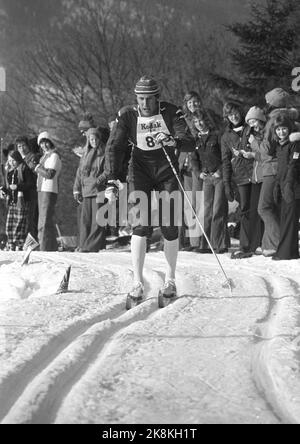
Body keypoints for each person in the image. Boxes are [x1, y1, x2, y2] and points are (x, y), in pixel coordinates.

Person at [104, 75, 195, 300]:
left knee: (169, 225)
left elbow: (189, 139)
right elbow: (114, 146)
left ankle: (170, 279)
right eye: (140, 99)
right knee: (140, 226)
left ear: (157, 98)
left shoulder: (171, 112)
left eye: (149, 99)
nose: (144, 104)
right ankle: (136, 282)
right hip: (140, 170)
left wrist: (175, 141)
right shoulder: (127, 116)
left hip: (166, 170)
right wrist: (112, 178)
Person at [258, 88, 298, 257]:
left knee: (264, 207)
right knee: (274, 207)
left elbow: (266, 149)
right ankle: (269, 244)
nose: (266, 104)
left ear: (273, 103)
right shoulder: (291, 118)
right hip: (279, 168)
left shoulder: (274, 120)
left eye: (268, 101)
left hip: (273, 168)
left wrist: (255, 142)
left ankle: (277, 242)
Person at [191, 110, 229, 253]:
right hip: (206, 178)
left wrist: (220, 170)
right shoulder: (196, 139)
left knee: (218, 209)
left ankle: (220, 244)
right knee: (207, 211)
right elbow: (194, 159)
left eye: (200, 120)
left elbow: (226, 156)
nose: (198, 124)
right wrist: (198, 172)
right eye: (195, 121)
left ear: (206, 120)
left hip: (219, 177)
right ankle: (205, 245)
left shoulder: (217, 135)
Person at [221, 101, 254, 259]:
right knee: (245, 209)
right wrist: (227, 184)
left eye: (235, 112)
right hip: (241, 176)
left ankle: (259, 242)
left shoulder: (250, 127)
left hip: (257, 172)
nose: (234, 116)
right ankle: (245, 246)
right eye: (230, 114)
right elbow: (226, 162)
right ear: (226, 117)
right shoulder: (226, 136)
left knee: (259, 208)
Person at [73, 127, 108, 252]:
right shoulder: (85, 155)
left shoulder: (104, 153)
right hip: (86, 190)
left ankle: (91, 246)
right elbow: (79, 173)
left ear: (99, 139)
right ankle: (83, 244)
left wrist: (99, 181)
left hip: (99, 190)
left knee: (97, 220)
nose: (93, 141)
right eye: (91, 139)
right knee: (85, 221)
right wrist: (76, 189)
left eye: (95, 138)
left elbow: (108, 170)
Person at [271, 115, 300, 260]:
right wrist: (277, 185)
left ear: (289, 128)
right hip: (283, 186)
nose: (281, 132)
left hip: (293, 187)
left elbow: (293, 166)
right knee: (285, 219)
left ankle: (286, 252)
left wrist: (288, 184)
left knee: (289, 220)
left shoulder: (294, 144)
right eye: (278, 129)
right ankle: (291, 251)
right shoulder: (280, 145)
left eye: (284, 129)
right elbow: (280, 168)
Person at [0, 150, 36, 250]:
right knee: (10, 224)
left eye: (14, 160)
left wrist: (17, 187)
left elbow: (30, 184)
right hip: (12, 200)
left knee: (20, 223)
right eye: (10, 160)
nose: (12, 162)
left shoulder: (24, 168)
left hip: (22, 200)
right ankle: (10, 242)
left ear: (18, 159)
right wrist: (4, 190)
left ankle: (19, 243)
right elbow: (8, 186)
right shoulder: (9, 171)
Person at [35, 131, 62, 251]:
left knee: (45, 221)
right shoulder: (43, 157)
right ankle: (51, 246)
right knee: (44, 220)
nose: (43, 145)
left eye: (45, 142)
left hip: (49, 190)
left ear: (50, 142)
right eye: (41, 143)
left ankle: (44, 247)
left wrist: (37, 168)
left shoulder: (54, 156)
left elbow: (50, 174)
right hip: (41, 189)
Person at [15, 135, 41, 240]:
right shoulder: (18, 159)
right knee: (24, 218)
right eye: (19, 146)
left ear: (28, 145)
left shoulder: (32, 157)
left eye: (24, 146)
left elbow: (35, 173)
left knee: (33, 217)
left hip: (32, 190)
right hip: (22, 192)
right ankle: (27, 239)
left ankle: (34, 240)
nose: (22, 149)